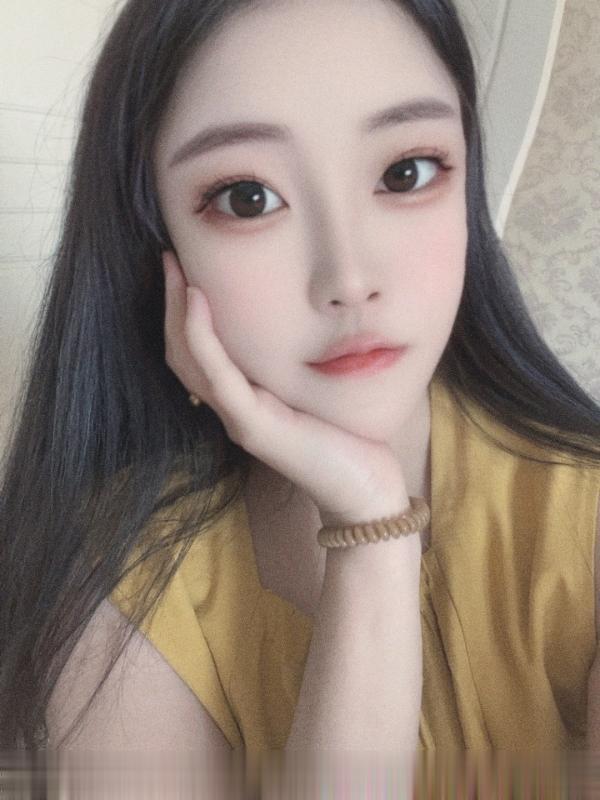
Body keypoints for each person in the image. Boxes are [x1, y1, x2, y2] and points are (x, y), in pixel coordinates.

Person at [1, 0, 599, 796]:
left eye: (407, 172)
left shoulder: (582, 525)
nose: (349, 277)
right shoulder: (119, 581)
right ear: (157, 243)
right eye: (247, 198)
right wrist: (371, 529)